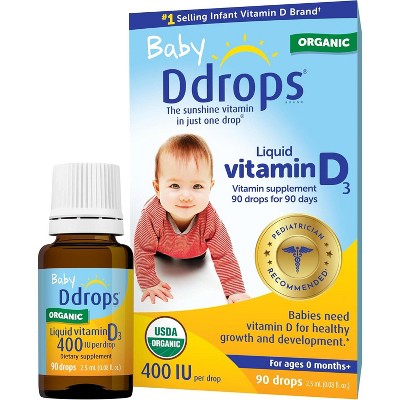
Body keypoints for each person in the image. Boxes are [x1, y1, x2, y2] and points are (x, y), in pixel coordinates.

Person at [134, 134, 250, 304]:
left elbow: (224, 254)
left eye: (197, 186)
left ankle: (193, 256)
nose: (186, 196)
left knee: (198, 258)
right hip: (161, 248)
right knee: (151, 248)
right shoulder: (151, 214)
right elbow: (142, 250)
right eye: (175, 186)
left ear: (210, 187)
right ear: (157, 188)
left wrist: (235, 291)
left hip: (195, 252)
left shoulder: (210, 218)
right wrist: (149, 283)